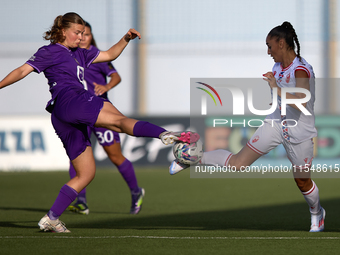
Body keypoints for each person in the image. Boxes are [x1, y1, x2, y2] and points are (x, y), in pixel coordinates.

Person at [0, 12, 199, 233]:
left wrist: (126, 39)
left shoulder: (81, 54)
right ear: (62, 31)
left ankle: (51, 217)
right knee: (119, 121)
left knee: (86, 174)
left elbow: (110, 54)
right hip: (73, 100)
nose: (80, 37)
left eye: (83, 33)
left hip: (61, 116)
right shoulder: (49, 51)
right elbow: (21, 70)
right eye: (77, 33)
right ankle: (163, 134)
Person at [170, 21, 325, 232]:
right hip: (275, 124)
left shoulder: (301, 70)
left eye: (270, 46)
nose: (268, 51)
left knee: (302, 181)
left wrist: (276, 88)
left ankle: (317, 212)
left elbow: (302, 101)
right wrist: (275, 98)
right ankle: (192, 158)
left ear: (281, 43)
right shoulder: (277, 67)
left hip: (300, 131)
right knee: (237, 163)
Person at [67, 21, 144, 216]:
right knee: (76, 154)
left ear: (91, 36)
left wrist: (106, 87)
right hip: (79, 113)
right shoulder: (70, 55)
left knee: (115, 156)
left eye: (87, 34)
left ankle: (136, 192)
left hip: (100, 112)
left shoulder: (96, 56)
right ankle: (81, 201)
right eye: (80, 33)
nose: (83, 37)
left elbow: (116, 77)